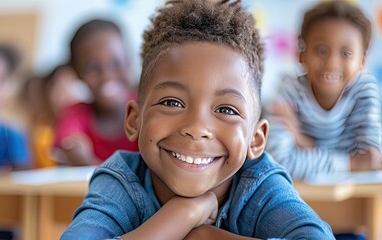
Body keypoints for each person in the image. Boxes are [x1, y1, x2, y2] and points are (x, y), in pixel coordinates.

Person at [61, 1, 334, 239]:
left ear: (256, 139)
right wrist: (182, 215)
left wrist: (206, 236)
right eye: (172, 102)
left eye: (226, 109)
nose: (197, 128)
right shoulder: (121, 181)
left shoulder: (258, 184)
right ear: (134, 120)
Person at [265, 1, 382, 180]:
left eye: (346, 53)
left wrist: (303, 142)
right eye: (321, 50)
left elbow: (372, 162)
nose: (332, 63)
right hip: (304, 197)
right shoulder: (289, 89)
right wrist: (350, 163)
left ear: (362, 62)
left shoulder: (364, 91)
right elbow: (279, 161)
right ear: (301, 55)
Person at [54, 19, 138, 166]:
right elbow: (69, 147)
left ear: (129, 62)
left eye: (116, 63)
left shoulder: (148, 108)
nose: (106, 76)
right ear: (77, 73)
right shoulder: (76, 114)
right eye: (93, 68)